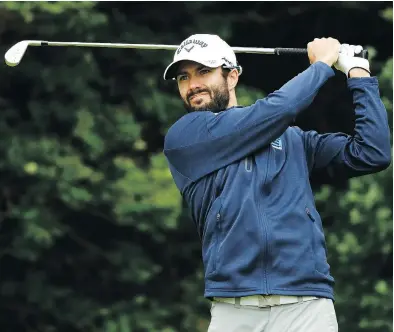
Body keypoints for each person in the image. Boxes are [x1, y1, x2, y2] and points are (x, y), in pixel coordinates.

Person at [162, 34, 391, 332]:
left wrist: (358, 73)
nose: (192, 85)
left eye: (203, 72)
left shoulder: (294, 140)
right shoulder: (185, 139)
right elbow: (275, 111)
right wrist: (321, 64)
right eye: (183, 77)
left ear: (232, 76)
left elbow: (372, 153)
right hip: (233, 309)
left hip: (306, 306)